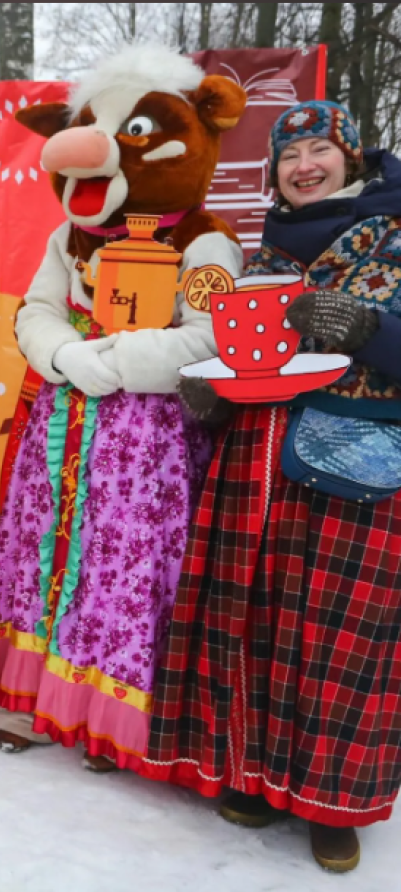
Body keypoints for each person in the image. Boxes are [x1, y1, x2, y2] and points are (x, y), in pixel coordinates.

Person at [0, 48, 245, 772]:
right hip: (62, 421)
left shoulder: (205, 242)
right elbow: (38, 311)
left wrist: (110, 365)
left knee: (120, 567)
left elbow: (207, 338)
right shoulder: (71, 236)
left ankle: (105, 714)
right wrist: (66, 357)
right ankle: (29, 698)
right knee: (41, 553)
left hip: (143, 441)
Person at [142, 101, 401, 873]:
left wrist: (368, 330)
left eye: (321, 148)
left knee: (336, 641)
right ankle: (253, 775)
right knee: (251, 626)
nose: (304, 165)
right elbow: (248, 356)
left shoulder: (394, 235)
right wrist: (211, 390)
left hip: (353, 461)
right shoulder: (264, 255)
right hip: (254, 461)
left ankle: (331, 805)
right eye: (290, 155)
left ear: (351, 159)